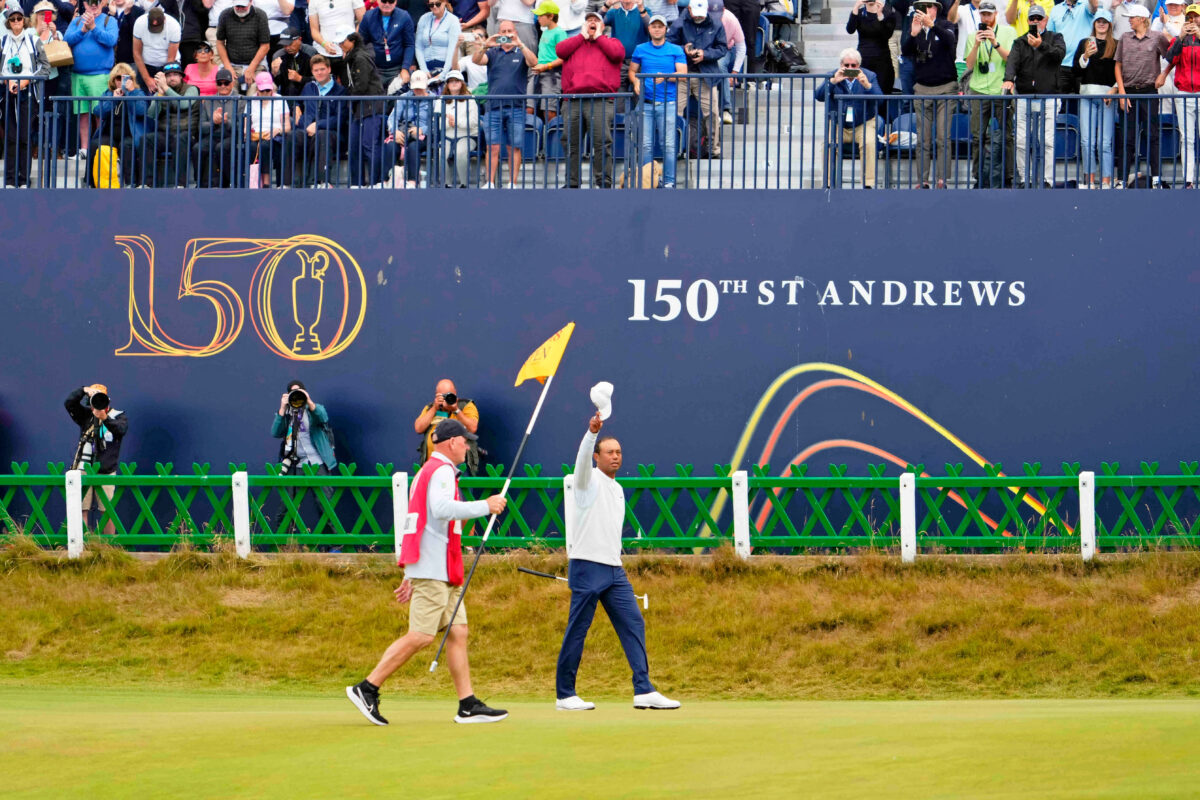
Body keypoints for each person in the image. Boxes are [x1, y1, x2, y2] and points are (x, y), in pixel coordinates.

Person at [345, 419, 509, 727]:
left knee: (458, 632)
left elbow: (415, 521)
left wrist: (410, 569)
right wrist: (486, 506)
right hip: (435, 567)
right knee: (421, 635)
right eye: (464, 440)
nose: (468, 445)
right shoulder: (442, 471)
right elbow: (442, 509)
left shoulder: (428, 471)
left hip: (440, 567)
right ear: (449, 443)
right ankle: (367, 687)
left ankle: (467, 704)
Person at [555, 411, 679, 712]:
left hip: (614, 569)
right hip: (586, 566)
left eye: (619, 452)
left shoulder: (618, 489)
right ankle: (565, 695)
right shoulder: (585, 481)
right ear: (597, 457)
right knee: (578, 629)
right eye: (609, 452)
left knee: (633, 621)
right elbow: (581, 461)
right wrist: (592, 433)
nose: (615, 456)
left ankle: (643, 689)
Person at [557, 10, 624, 187]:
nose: (592, 22)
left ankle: (603, 182)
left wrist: (600, 37)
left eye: (596, 20)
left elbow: (617, 55)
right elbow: (560, 50)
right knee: (571, 144)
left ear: (603, 26)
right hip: (573, 100)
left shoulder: (611, 42)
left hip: (600, 99)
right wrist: (581, 36)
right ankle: (572, 183)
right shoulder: (575, 42)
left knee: (602, 142)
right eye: (588, 21)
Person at [1004, 4, 1064, 187]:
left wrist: (1042, 45)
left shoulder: (1055, 37)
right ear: (1028, 21)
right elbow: (1012, 62)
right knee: (1021, 141)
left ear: (1045, 20)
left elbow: (1060, 54)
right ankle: (1024, 179)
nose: (1036, 21)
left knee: (1047, 141)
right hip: (1024, 97)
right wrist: (1008, 79)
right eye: (1032, 18)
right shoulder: (1019, 42)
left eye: (1039, 18)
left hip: (1049, 96)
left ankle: (1047, 180)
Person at [472, 19, 535, 187]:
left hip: (516, 107)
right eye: (503, 31)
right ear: (499, 33)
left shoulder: (521, 51)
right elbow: (476, 60)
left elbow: (534, 63)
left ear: (515, 32)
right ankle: (490, 183)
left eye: (510, 31)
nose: (507, 34)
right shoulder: (493, 52)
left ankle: (512, 183)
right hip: (493, 107)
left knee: (514, 147)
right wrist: (486, 44)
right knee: (492, 147)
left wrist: (520, 44)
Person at [901, 0, 957, 188]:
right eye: (922, 6)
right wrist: (913, 34)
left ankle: (942, 179)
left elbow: (951, 42)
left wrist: (932, 25)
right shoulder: (915, 27)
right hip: (922, 88)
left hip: (946, 87)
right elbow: (905, 51)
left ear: (937, 9)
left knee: (943, 137)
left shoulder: (946, 25)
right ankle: (922, 180)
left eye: (929, 6)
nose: (925, 10)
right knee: (922, 139)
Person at [1114, 3, 1169, 185]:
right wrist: (1121, 92)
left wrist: (1163, 74)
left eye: (1132, 18)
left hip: (1149, 92)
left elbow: (1172, 57)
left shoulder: (1157, 37)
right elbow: (1118, 65)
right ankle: (1122, 179)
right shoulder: (1124, 37)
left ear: (1142, 20)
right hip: (1128, 92)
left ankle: (1156, 178)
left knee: (1152, 135)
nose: (1129, 21)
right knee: (1126, 138)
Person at [270, 381, 336, 529]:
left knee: (325, 504)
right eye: (293, 392)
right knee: (287, 505)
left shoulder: (313, 410)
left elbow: (323, 417)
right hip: (295, 463)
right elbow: (275, 432)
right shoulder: (287, 414)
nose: (297, 395)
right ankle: (287, 544)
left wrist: (309, 401)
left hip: (317, 462)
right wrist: (282, 408)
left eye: (299, 391)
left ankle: (333, 546)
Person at [65, 384, 128, 537]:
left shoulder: (118, 415)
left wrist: (104, 418)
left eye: (101, 398)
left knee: (107, 511)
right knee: (81, 509)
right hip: (83, 468)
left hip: (106, 470)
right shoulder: (86, 415)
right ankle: (82, 545)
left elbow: (121, 430)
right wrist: (83, 390)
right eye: (95, 398)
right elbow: (69, 403)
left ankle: (109, 547)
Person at [629, 12, 684, 187]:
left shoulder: (676, 49)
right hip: (646, 103)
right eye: (654, 26)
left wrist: (667, 76)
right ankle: (647, 182)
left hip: (668, 104)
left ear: (665, 29)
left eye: (660, 26)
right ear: (649, 29)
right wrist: (636, 81)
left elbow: (683, 75)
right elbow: (632, 71)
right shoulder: (640, 49)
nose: (657, 29)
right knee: (645, 146)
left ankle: (669, 182)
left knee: (668, 145)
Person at [964, 0, 1015, 187]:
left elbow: (1011, 59)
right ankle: (979, 177)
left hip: (1001, 90)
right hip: (979, 90)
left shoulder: (1009, 32)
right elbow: (969, 65)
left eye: (989, 14)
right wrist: (977, 45)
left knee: (1007, 135)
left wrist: (995, 43)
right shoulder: (972, 36)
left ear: (996, 15)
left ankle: (1008, 177)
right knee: (978, 137)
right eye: (983, 14)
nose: (986, 17)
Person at [816, 48, 883, 188]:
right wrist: (833, 81)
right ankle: (828, 184)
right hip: (838, 124)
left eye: (854, 66)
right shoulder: (832, 75)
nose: (850, 68)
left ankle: (868, 184)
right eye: (846, 65)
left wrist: (867, 85)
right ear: (841, 65)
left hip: (863, 123)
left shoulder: (869, 75)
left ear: (859, 65)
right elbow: (819, 96)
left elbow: (880, 99)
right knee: (827, 145)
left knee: (869, 143)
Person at [667, 0, 727, 158]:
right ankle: (674, 148)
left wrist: (705, 54)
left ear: (707, 9)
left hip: (706, 75)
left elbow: (722, 48)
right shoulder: (678, 23)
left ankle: (714, 150)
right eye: (695, 14)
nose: (699, 17)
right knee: (675, 113)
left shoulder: (716, 24)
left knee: (712, 114)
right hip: (682, 75)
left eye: (702, 14)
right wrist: (683, 50)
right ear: (688, 9)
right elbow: (668, 45)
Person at [0, 5, 49, 188]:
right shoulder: (3, 41)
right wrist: (7, 81)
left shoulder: (33, 40)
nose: (16, 22)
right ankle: (11, 179)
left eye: (19, 19)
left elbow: (45, 67)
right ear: (8, 22)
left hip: (28, 95)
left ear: (24, 20)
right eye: (12, 19)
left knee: (25, 137)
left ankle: (23, 179)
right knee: (10, 137)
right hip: (8, 94)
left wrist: (26, 82)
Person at [65, 0, 120, 161]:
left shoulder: (110, 20)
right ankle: (85, 150)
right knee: (83, 114)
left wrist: (94, 28)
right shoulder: (76, 21)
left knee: (100, 114)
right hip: (78, 75)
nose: (93, 4)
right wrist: (82, 30)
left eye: (96, 1)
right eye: (90, 2)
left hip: (100, 75)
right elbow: (67, 40)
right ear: (85, 4)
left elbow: (111, 40)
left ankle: (101, 149)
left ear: (103, 3)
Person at [1074, 7, 1117, 188]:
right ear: (1094, 24)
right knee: (1086, 141)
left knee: (1104, 142)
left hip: (1107, 97)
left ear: (1109, 25)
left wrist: (1114, 90)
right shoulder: (1085, 42)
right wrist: (1085, 56)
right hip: (1087, 96)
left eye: (1104, 22)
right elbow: (1076, 71)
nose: (1101, 24)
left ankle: (1106, 181)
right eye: (1098, 21)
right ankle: (1089, 180)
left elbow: (1120, 71)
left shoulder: (1116, 44)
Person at [339, 28, 388, 186]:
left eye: (342, 41)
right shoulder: (352, 57)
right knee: (354, 147)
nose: (340, 45)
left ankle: (376, 182)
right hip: (359, 108)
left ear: (352, 41)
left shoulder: (360, 57)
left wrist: (350, 96)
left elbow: (360, 85)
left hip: (370, 106)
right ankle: (356, 183)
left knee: (369, 145)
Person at [289, 53, 346, 185]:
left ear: (329, 69)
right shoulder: (308, 87)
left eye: (322, 69)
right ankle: (286, 183)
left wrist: (318, 125)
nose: (319, 73)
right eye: (316, 70)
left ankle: (322, 181)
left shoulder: (340, 91)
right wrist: (296, 107)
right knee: (292, 136)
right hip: (306, 130)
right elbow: (300, 103)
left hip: (330, 134)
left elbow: (340, 119)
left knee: (322, 135)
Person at [90, 62, 149, 185]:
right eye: (118, 78)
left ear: (131, 80)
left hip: (130, 134)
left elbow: (141, 111)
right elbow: (97, 111)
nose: (121, 81)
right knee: (95, 144)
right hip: (110, 135)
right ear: (113, 80)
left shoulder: (137, 92)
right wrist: (113, 100)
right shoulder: (108, 93)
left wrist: (130, 93)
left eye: (126, 78)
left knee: (126, 146)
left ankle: (131, 183)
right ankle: (91, 183)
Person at [145, 60, 198, 185]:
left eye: (174, 75)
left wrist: (166, 88)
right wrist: (159, 95)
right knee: (147, 139)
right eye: (168, 76)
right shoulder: (162, 91)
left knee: (180, 139)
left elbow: (184, 104)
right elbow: (152, 114)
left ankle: (180, 184)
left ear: (181, 76)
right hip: (166, 133)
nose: (171, 78)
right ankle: (147, 183)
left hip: (187, 133)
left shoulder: (192, 89)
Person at [1164, 3, 1200, 188]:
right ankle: (1188, 180)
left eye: (1197, 16)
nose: (1193, 20)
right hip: (1184, 92)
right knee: (1187, 138)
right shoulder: (1182, 38)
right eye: (1190, 16)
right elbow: (1170, 58)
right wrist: (1180, 37)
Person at [414, 379, 481, 473]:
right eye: (443, 396)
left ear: (455, 393)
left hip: (460, 468)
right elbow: (418, 428)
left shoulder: (466, 406)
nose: (446, 399)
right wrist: (434, 408)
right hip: (433, 467)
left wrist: (456, 410)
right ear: (436, 395)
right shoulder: (430, 408)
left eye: (449, 395)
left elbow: (472, 428)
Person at [190, 65, 241, 184]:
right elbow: (201, 127)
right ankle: (200, 184)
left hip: (231, 137)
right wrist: (213, 123)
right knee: (198, 148)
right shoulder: (208, 100)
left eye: (226, 83)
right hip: (213, 136)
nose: (223, 86)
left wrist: (226, 122)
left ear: (232, 84)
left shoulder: (240, 100)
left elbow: (240, 127)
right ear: (216, 84)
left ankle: (229, 182)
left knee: (221, 148)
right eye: (220, 83)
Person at [384, 67, 432, 186]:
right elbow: (392, 117)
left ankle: (412, 181)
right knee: (390, 146)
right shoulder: (403, 97)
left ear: (426, 86)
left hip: (424, 136)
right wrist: (394, 131)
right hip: (403, 132)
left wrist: (422, 130)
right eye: (415, 88)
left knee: (413, 146)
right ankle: (386, 180)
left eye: (420, 88)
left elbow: (436, 122)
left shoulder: (434, 99)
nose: (418, 91)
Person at [435, 67, 478, 186]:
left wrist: (457, 122)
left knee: (460, 152)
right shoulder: (441, 100)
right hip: (447, 135)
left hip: (467, 135)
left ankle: (464, 184)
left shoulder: (470, 99)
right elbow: (437, 122)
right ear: (447, 84)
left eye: (456, 80)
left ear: (462, 83)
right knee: (441, 153)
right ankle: (446, 184)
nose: (453, 83)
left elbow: (474, 122)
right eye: (450, 81)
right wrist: (449, 123)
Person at [247, 68, 290, 184]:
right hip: (255, 136)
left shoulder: (280, 99)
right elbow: (246, 125)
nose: (266, 93)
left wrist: (278, 130)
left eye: (268, 90)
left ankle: (266, 182)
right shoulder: (251, 101)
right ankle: (254, 182)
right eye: (262, 90)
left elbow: (287, 126)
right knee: (252, 147)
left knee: (265, 145)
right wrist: (251, 133)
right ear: (257, 89)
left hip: (275, 136)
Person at [215, 0, 270, 88]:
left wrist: (252, 68)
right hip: (232, 65)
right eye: (237, 6)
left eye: (243, 6)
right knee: (227, 89)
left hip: (256, 66)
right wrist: (228, 66)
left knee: (256, 92)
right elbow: (220, 42)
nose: (240, 9)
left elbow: (265, 46)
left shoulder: (260, 15)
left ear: (250, 2)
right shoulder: (225, 14)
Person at [360, 0, 415, 87]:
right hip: (375, 69)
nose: (387, 4)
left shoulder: (404, 16)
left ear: (396, 2)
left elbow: (409, 45)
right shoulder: (368, 16)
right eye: (384, 1)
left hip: (397, 69)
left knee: (397, 99)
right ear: (378, 1)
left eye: (391, 1)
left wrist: (405, 68)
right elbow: (361, 43)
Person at [846, 0, 896, 96]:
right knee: (863, 92)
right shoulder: (859, 13)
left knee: (883, 92)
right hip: (863, 58)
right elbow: (850, 30)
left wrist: (880, 16)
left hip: (882, 60)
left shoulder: (888, 14)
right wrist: (856, 8)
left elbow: (887, 35)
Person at [1047, 0, 1096, 96]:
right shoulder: (1056, 9)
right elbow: (1049, 37)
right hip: (1061, 66)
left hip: (1082, 65)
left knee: (1083, 106)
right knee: (1060, 106)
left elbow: (1094, 6)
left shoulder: (1086, 5)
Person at [605, 0, 648, 108]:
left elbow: (650, 27)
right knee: (618, 102)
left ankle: (640, 125)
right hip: (619, 63)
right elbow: (595, 23)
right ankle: (620, 125)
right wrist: (607, 5)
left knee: (640, 99)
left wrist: (642, 9)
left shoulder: (644, 11)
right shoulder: (614, 12)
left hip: (639, 62)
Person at [528, 0, 565, 120]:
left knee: (549, 110)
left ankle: (551, 137)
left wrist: (546, 66)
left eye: (540, 15)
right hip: (537, 73)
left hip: (552, 74)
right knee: (529, 108)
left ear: (551, 16)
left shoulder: (560, 33)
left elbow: (564, 57)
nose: (538, 18)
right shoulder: (544, 32)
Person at [711, 0, 742, 123]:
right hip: (707, 50)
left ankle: (725, 109)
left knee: (719, 65)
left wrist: (734, 72)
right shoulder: (699, 15)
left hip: (727, 50)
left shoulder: (731, 19)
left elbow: (741, 47)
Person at [133, 7, 180, 88]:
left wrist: (163, 80)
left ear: (164, 19)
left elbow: (171, 58)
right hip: (146, 65)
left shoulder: (174, 26)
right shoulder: (139, 23)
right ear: (147, 19)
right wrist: (147, 79)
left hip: (169, 64)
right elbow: (136, 53)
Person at [414, 0, 460, 73]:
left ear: (444, 2)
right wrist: (424, 69)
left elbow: (452, 48)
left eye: (438, 4)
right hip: (426, 65)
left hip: (445, 65)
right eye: (431, 5)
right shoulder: (423, 18)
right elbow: (418, 46)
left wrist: (444, 73)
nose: (434, 7)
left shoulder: (453, 20)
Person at [269, 26, 313, 96]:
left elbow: (320, 79)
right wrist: (274, 74)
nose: (287, 48)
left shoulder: (310, 53)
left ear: (299, 40)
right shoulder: (279, 56)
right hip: (287, 96)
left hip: (308, 95)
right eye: (284, 45)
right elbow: (276, 85)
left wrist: (300, 78)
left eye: (290, 44)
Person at [178, 0, 210, 65]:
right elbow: (165, 5)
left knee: (190, 65)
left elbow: (202, 10)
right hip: (171, 35)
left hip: (190, 36)